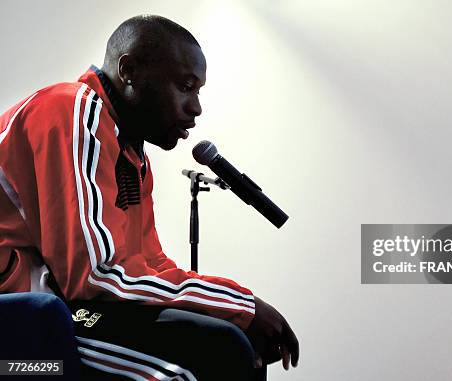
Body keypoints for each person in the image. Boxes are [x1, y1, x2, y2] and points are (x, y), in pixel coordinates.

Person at [0, 15, 298, 380]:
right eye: (186, 86)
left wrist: (236, 308)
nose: (196, 107)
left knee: (235, 344)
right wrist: (239, 306)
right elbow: (96, 277)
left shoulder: (131, 154)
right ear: (129, 71)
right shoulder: (75, 111)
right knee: (217, 352)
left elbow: (148, 262)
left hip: (61, 302)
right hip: (24, 308)